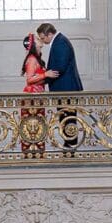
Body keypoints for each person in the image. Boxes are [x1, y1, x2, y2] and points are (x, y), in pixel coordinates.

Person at [36, 23, 83, 156]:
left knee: (67, 118)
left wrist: (41, 80)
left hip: (66, 88)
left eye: (43, 38)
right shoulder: (59, 40)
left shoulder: (60, 42)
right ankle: (69, 145)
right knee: (65, 118)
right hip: (64, 87)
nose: (43, 41)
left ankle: (70, 146)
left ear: (49, 34)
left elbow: (59, 68)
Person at [19, 33, 59, 158]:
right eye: (37, 39)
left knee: (39, 124)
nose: (40, 40)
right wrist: (45, 75)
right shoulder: (32, 59)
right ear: (33, 44)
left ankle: (38, 152)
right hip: (32, 97)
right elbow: (29, 79)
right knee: (32, 125)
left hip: (38, 96)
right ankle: (30, 153)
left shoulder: (37, 58)